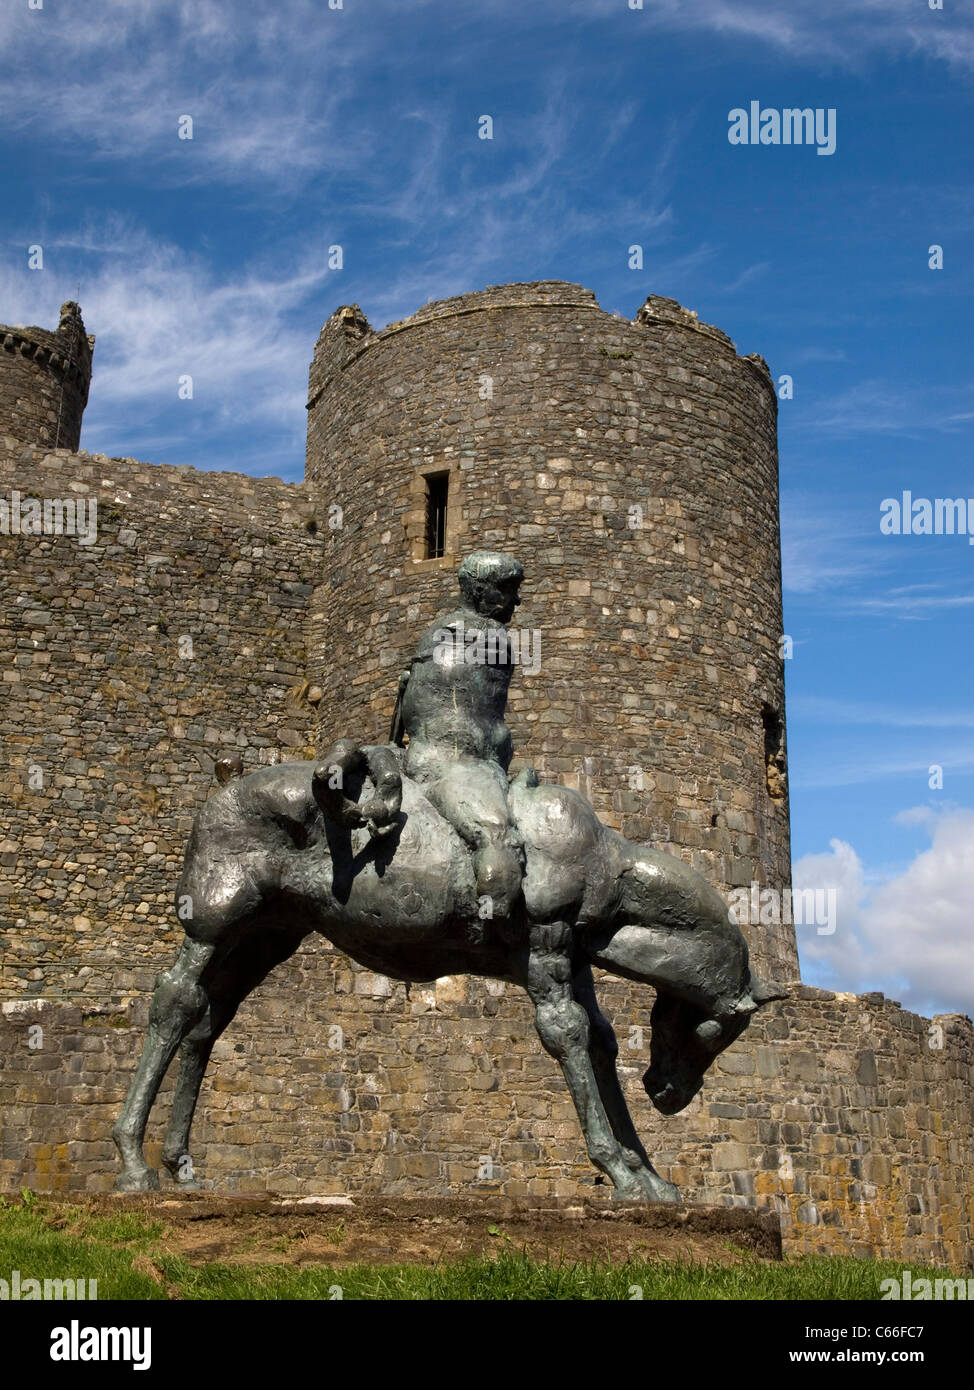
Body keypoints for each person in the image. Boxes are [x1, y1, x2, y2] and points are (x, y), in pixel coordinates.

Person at [391, 551, 525, 923]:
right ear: (482, 593)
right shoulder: (493, 636)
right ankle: (495, 923)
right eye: (510, 590)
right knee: (495, 837)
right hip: (459, 764)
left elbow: (408, 694)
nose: (517, 600)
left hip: (421, 751)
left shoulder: (433, 634)